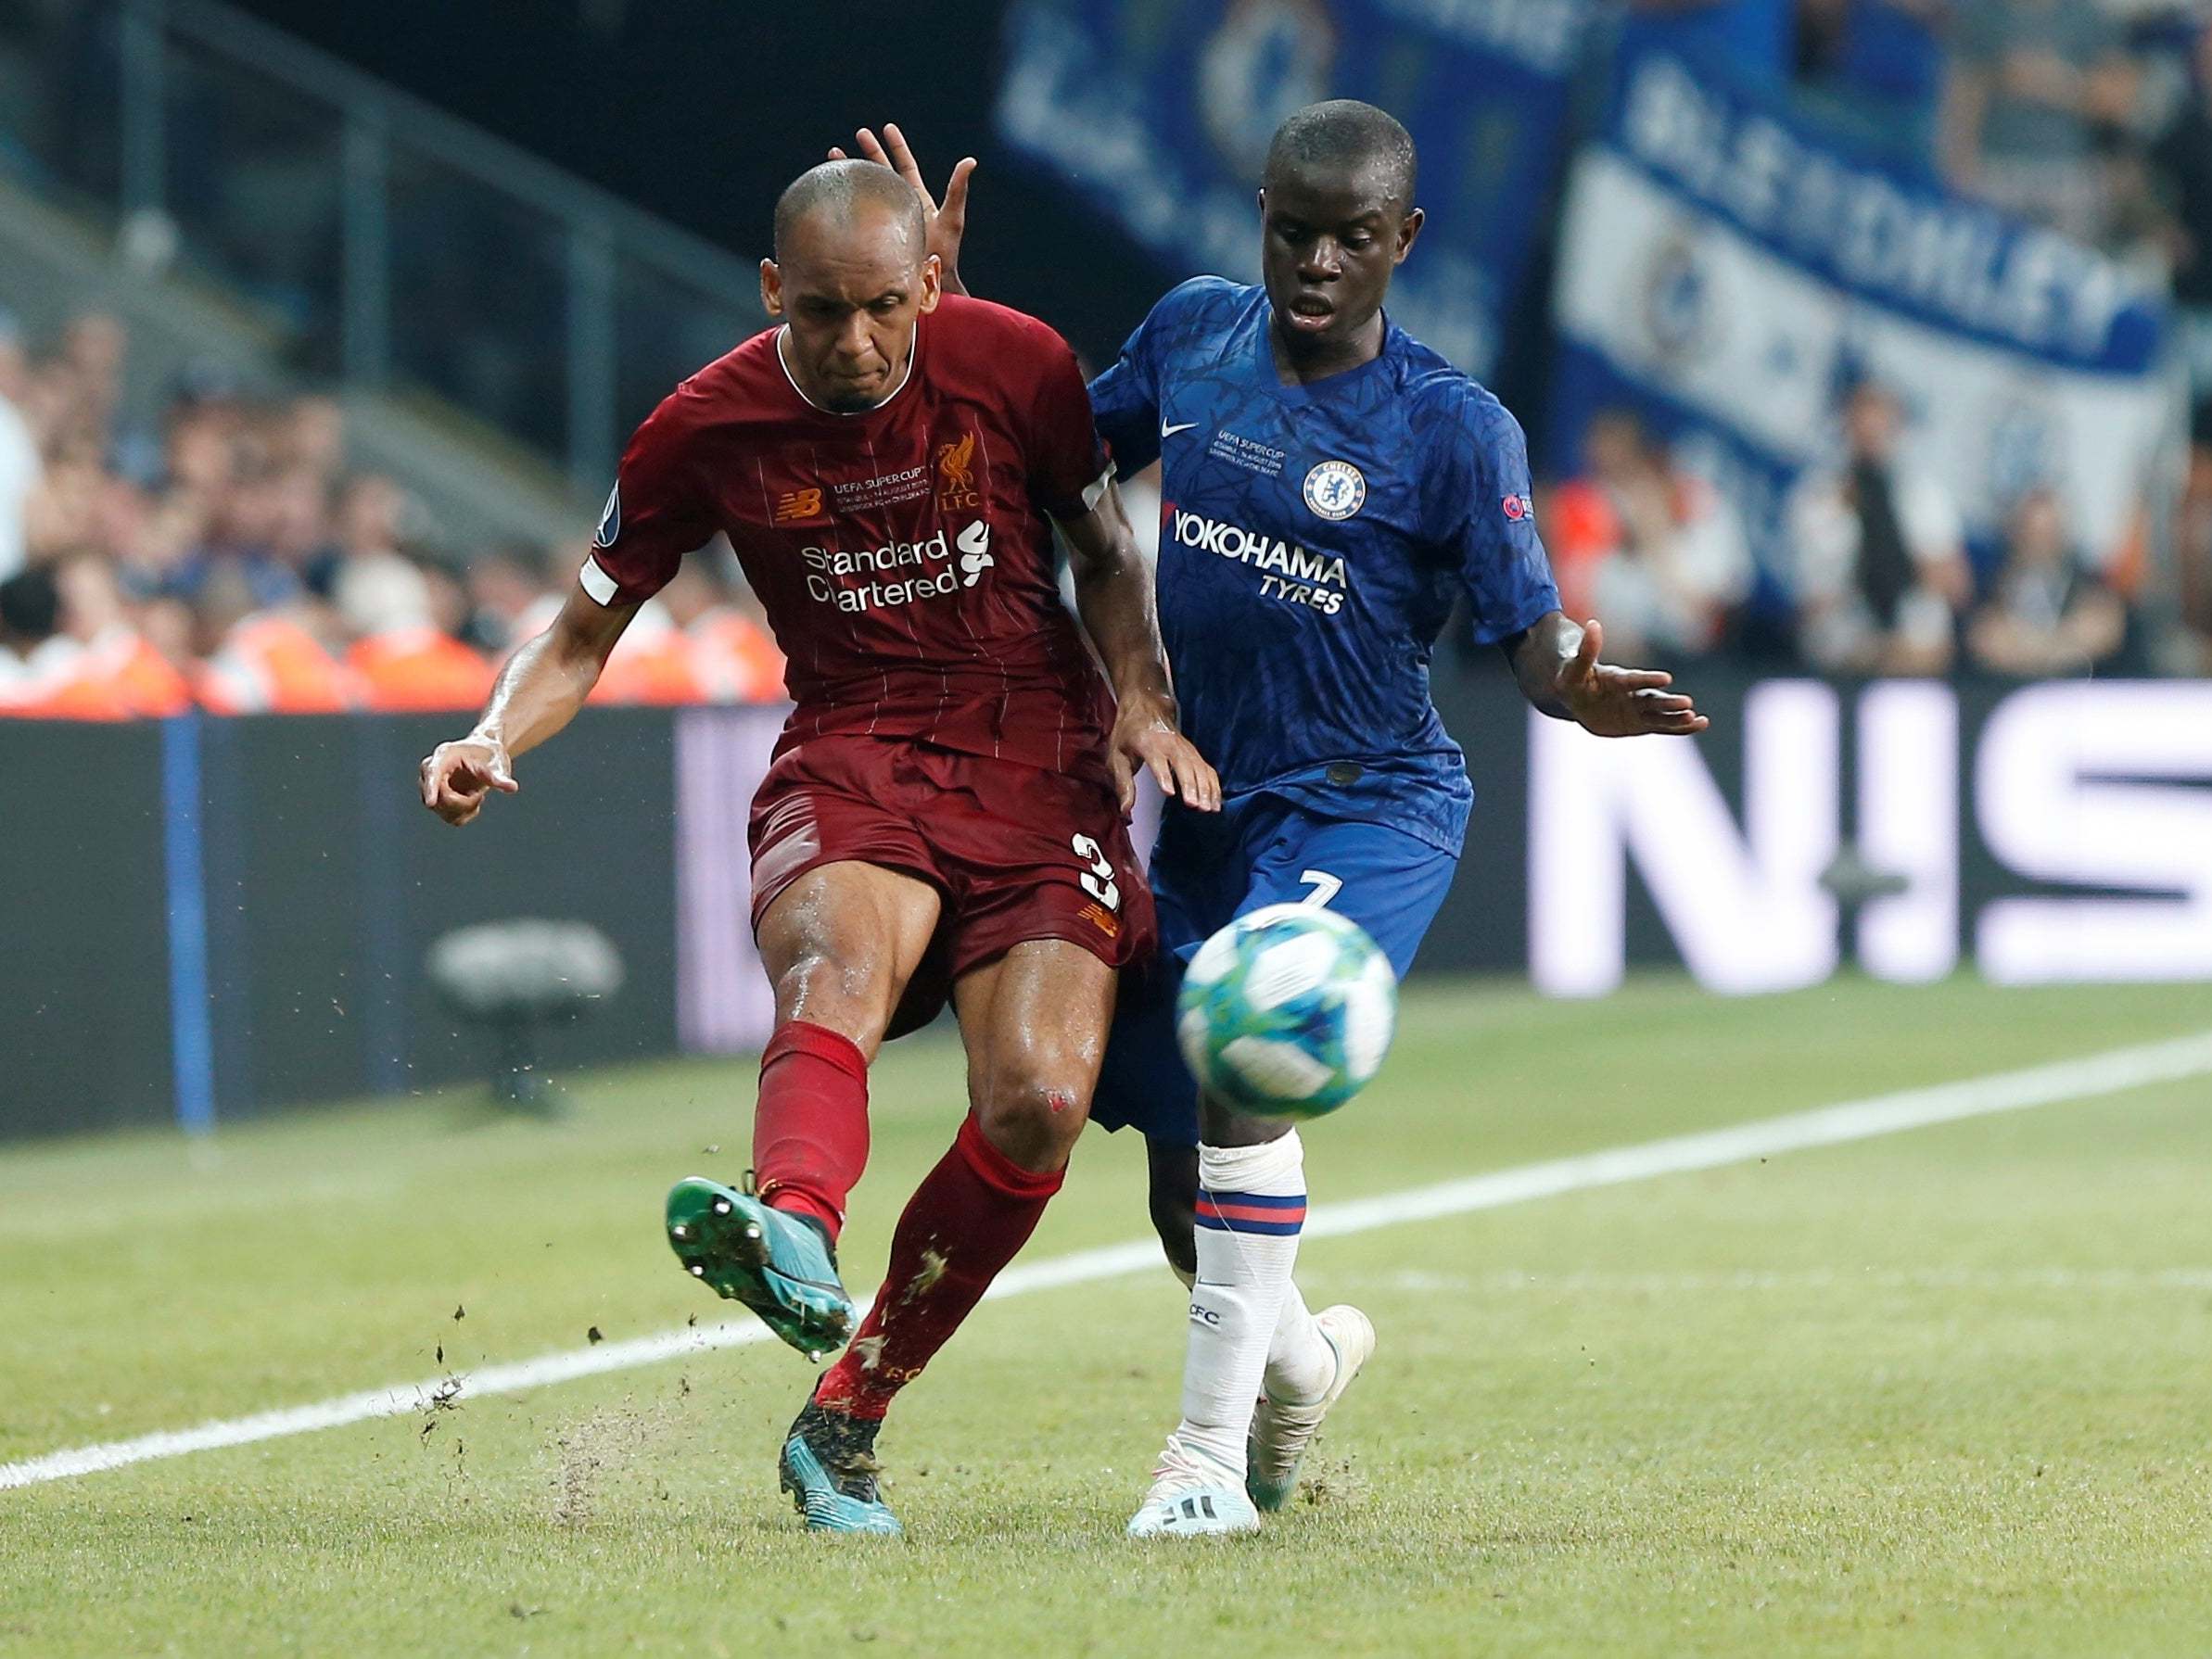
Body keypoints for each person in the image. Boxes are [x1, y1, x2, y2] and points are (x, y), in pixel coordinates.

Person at [840, 108, 1704, 1538]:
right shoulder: (1193, 335)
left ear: (1402, 241)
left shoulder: (1447, 425)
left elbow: (1529, 633)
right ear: (1259, 216)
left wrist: (1573, 684)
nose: (1313, 261)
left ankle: (1199, 1464)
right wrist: (937, 314)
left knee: (1249, 1036)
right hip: (1205, 811)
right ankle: (1298, 1370)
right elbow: (1050, 455)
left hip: (1370, 806)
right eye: (1290, 229)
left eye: (1349, 238)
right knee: (1184, 1196)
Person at [417, 159, 1218, 1536]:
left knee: (1037, 1099)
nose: (856, 345)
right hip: (856, 740)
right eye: (825, 314)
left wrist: (1139, 694)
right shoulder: (703, 426)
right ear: (772, 290)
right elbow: (580, 632)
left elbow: (1102, 547)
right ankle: (792, 1218)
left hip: (1035, 756)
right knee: (833, 959)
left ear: (923, 284)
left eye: (886, 309)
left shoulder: (1013, 364)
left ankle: (845, 1414)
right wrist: (496, 733)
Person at [1788, 378, 1971, 676]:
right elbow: (1809, 601)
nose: (1871, 437)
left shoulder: (1923, 496)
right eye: (1862, 427)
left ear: (1896, 429)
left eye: (1879, 427)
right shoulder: (1817, 498)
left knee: (1924, 628)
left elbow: (1957, 586)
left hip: (1910, 625)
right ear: (1845, 428)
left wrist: (1914, 561)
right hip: (1846, 627)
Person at [1965, 487, 2125, 677]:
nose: (2041, 543)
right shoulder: (1989, 586)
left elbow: (2102, 632)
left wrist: (2025, 647)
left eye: (2049, 532)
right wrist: (2066, 643)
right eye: (2033, 531)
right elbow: (1988, 641)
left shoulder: (2090, 585)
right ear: (2015, 532)